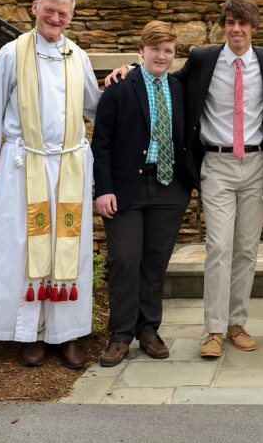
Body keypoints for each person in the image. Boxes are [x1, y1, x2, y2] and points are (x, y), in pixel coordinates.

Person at [107, 0, 263, 359]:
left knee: (247, 249)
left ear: (254, 28)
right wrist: (127, 67)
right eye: (231, 23)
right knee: (219, 247)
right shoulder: (204, 59)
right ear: (224, 26)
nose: (236, 29)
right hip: (216, 164)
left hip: (255, 164)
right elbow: (161, 79)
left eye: (244, 23)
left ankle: (237, 323)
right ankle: (214, 330)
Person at [0, 0, 101, 369]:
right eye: (49, 10)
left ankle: (67, 335)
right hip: (24, 166)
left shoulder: (78, 57)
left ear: (71, 18)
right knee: (28, 246)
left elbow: (97, 107)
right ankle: (32, 336)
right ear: (34, 8)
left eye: (63, 14)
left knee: (68, 246)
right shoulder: (13, 53)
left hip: (70, 167)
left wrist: (128, 82)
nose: (55, 19)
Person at [91, 21, 195, 367]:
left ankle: (148, 329)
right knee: (123, 261)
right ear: (142, 51)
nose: (162, 56)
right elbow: (101, 143)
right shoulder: (120, 87)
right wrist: (103, 189)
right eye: (155, 50)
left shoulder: (180, 87)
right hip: (126, 190)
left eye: (168, 50)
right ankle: (120, 335)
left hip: (169, 187)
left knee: (155, 263)